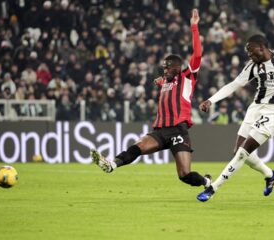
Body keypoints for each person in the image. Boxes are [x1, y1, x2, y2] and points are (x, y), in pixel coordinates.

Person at [90, 9, 212, 189]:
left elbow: (198, 55)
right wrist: (161, 80)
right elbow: (165, 82)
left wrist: (194, 27)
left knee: (184, 175)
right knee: (138, 146)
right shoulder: (165, 80)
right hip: (161, 130)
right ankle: (111, 165)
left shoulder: (187, 77)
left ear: (177, 68)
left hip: (178, 130)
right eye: (163, 68)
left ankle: (206, 181)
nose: (164, 70)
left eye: (167, 68)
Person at [196, 34, 274, 202]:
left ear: (261, 47)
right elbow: (234, 84)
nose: (249, 56)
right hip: (256, 108)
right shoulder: (252, 66)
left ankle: (213, 188)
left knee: (243, 153)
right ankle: (270, 174)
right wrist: (211, 100)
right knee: (238, 151)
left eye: (251, 52)